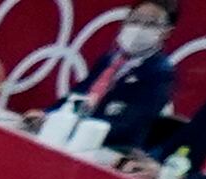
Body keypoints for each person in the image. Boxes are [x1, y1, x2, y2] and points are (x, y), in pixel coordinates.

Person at [47, 0, 185, 156]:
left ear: (166, 32)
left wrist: (80, 128)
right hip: (72, 134)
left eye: (151, 23)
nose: (139, 27)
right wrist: (46, 115)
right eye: (135, 19)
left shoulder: (160, 74)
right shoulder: (109, 59)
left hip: (111, 149)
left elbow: (130, 125)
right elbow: (76, 95)